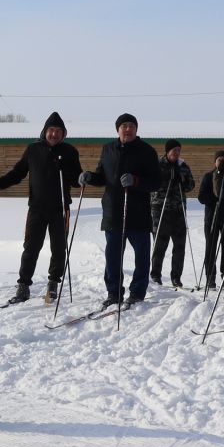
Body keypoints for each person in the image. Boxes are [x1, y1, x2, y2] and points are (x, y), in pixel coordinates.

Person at [0, 111, 80, 304]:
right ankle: (23, 286)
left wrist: (73, 173)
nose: (54, 134)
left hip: (60, 209)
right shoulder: (33, 149)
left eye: (59, 131)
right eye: (51, 130)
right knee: (31, 248)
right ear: (45, 131)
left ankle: (53, 284)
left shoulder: (69, 152)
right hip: (37, 208)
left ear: (63, 134)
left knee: (59, 248)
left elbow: (77, 181)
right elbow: (17, 173)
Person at [81, 114, 160, 308]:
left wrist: (137, 181)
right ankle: (114, 293)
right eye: (124, 126)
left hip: (138, 213)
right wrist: (90, 176)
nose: (127, 129)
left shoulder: (147, 151)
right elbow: (102, 177)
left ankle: (137, 293)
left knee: (141, 256)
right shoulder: (108, 149)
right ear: (118, 129)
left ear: (136, 129)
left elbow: (156, 182)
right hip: (113, 212)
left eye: (131, 126)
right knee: (113, 256)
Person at [148, 139, 196, 288]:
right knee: (159, 245)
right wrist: (165, 178)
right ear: (167, 151)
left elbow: (191, 185)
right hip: (160, 209)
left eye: (178, 151)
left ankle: (176, 277)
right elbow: (151, 184)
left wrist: (182, 179)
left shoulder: (183, 166)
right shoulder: (156, 165)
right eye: (173, 151)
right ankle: (155, 275)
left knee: (179, 246)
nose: (176, 153)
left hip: (178, 210)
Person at [198, 150, 224, 291]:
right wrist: (214, 199)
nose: (222, 162)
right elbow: (201, 197)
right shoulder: (209, 176)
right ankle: (210, 278)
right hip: (212, 217)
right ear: (215, 162)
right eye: (219, 159)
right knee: (211, 248)